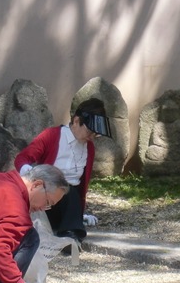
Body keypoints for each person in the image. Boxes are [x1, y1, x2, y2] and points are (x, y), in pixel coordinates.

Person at [14, 98, 112, 248]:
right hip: (44, 200)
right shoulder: (51, 136)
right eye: (90, 131)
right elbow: (22, 158)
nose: (91, 137)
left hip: (68, 205)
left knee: (70, 190)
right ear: (76, 121)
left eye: (95, 135)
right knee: (64, 186)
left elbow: (81, 186)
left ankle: (71, 234)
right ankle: (69, 232)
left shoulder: (89, 148)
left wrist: (79, 214)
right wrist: (31, 176)